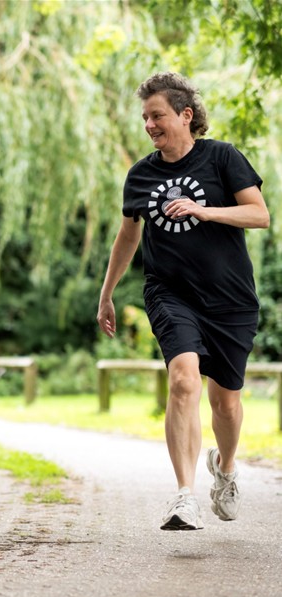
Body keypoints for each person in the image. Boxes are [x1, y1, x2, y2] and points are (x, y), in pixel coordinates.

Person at [96, 72, 269, 531]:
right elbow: (127, 236)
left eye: (158, 115)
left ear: (185, 115)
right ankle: (184, 495)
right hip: (170, 293)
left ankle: (225, 470)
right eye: (145, 117)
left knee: (226, 404)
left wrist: (204, 210)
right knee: (183, 380)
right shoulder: (142, 175)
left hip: (231, 298)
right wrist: (107, 294)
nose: (150, 125)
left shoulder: (222, 158)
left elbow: (259, 214)